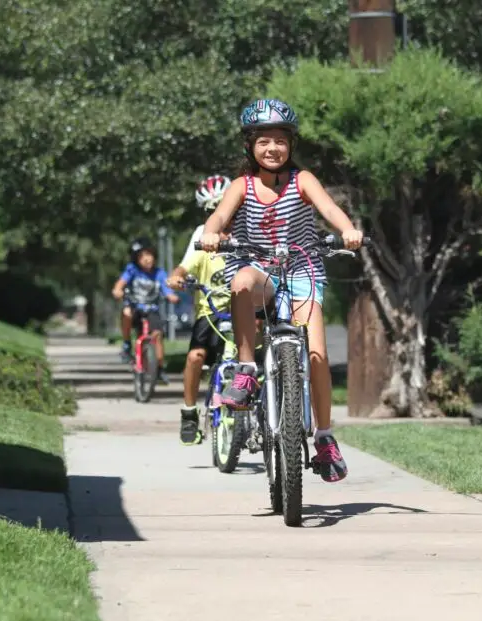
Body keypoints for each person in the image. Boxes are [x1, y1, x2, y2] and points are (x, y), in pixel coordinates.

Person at [198, 98, 364, 483]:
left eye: (280, 140)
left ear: (291, 144)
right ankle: (246, 370)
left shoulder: (302, 180)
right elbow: (220, 216)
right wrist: (210, 233)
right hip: (259, 271)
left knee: (317, 355)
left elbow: (329, 208)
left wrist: (347, 230)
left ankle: (324, 437)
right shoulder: (242, 186)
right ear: (250, 147)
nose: (272, 148)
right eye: (263, 141)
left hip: (302, 271)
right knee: (240, 282)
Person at [165, 175, 233, 445]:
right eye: (211, 209)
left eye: (223, 205)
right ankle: (189, 412)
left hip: (244, 310)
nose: (219, 213)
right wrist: (177, 277)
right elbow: (185, 266)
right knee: (195, 356)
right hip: (210, 312)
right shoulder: (203, 236)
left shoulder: (248, 231)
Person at [112, 239, 179, 383]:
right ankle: (126, 344)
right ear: (136, 259)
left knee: (157, 334)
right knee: (126, 313)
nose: (146, 259)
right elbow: (120, 284)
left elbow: (166, 289)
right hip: (135, 308)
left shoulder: (159, 273)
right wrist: (118, 290)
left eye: (149, 255)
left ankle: (159, 368)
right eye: (142, 256)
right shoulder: (132, 270)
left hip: (151, 310)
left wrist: (171, 296)